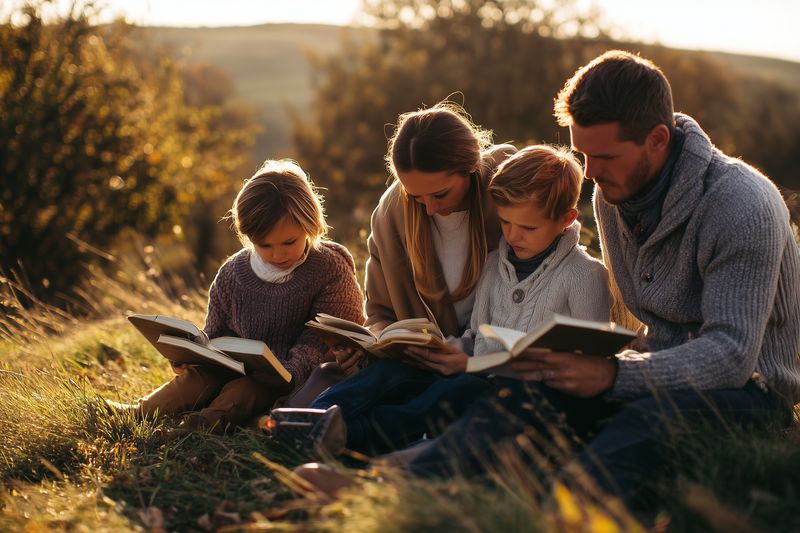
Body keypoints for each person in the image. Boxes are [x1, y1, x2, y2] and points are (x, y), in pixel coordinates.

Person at [300, 51, 800, 510]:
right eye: (583, 155)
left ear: (657, 140)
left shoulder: (741, 206)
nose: (589, 174)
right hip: (654, 370)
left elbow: (733, 354)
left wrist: (615, 377)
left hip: (751, 391)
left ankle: (565, 509)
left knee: (641, 424)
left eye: (603, 158)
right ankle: (391, 481)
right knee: (526, 396)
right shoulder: (612, 195)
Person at [278, 102, 516, 454]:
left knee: (439, 398)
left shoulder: (509, 200)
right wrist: (368, 347)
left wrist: (465, 354)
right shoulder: (392, 213)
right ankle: (303, 424)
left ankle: (343, 437)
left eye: (440, 194)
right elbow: (379, 313)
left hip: (481, 362)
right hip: (417, 362)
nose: (430, 208)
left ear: (470, 168)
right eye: (416, 196)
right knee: (376, 380)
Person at [108, 160, 365, 433]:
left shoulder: (328, 268)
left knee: (243, 391)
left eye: (289, 242)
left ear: (310, 225)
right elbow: (214, 333)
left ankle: (197, 428)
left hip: (293, 377)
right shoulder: (233, 273)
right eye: (264, 245)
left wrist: (288, 373)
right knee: (198, 378)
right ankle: (141, 412)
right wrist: (191, 356)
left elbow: (322, 337)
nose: (278, 254)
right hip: (237, 366)